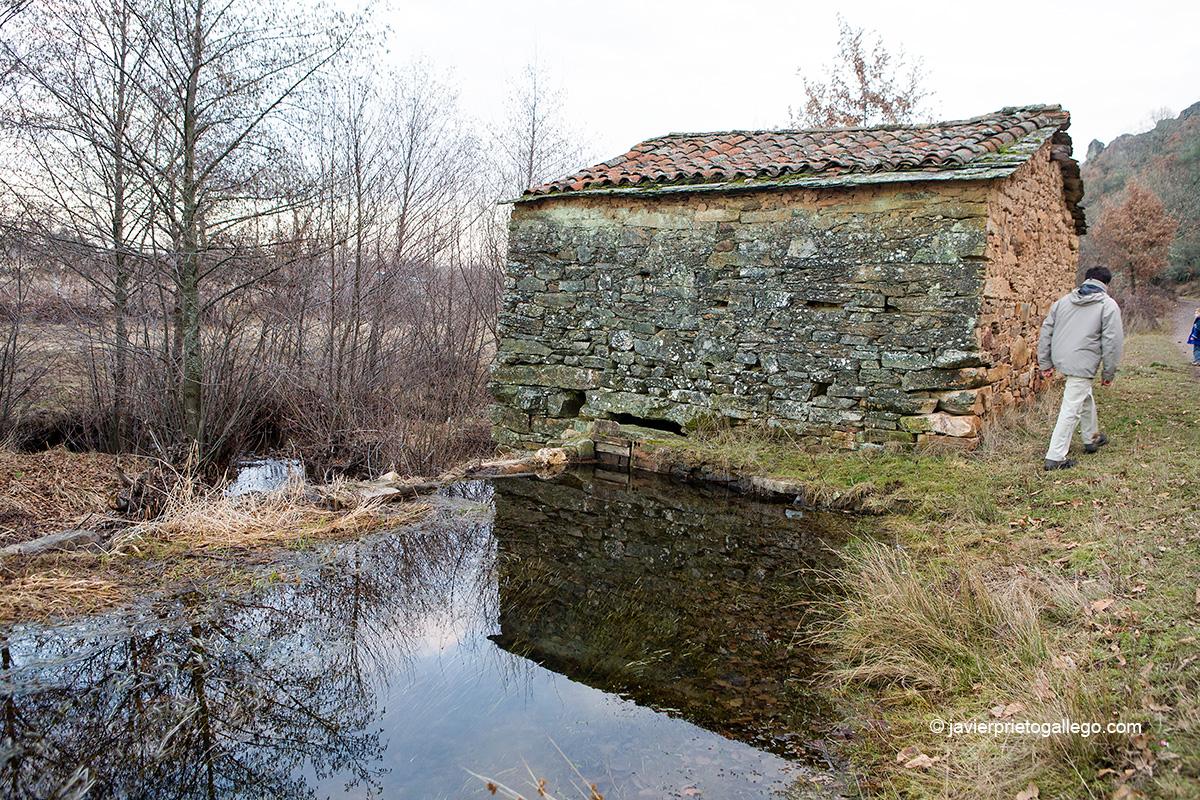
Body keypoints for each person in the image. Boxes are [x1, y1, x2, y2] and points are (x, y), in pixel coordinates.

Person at [1036, 266, 1125, 471]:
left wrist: (1046, 363)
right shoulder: (1108, 305)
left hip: (1062, 359)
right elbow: (1112, 342)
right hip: (1083, 363)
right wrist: (1109, 373)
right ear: (1106, 284)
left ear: (1086, 280)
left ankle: (1091, 438)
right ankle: (1055, 456)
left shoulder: (1063, 301)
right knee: (1071, 408)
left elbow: (1046, 331)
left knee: (1083, 396)